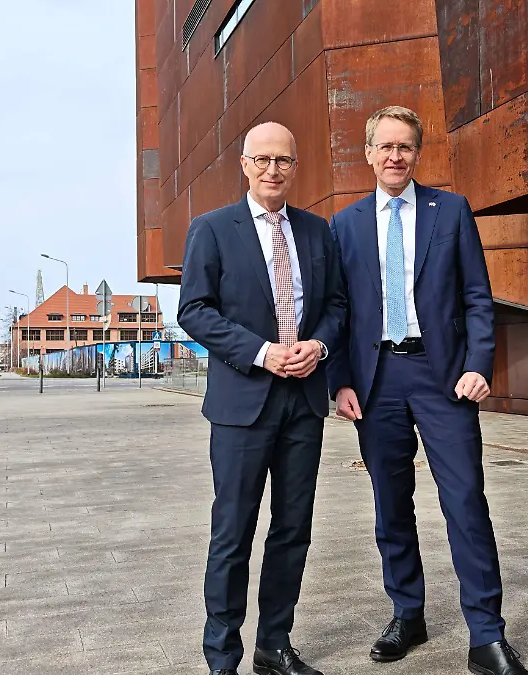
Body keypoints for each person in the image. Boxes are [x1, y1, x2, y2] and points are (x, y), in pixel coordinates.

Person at [326, 106, 528, 675]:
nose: (396, 156)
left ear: (418, 154)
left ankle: (486, 635)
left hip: (444, 378)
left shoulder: (453, 211)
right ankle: (407, 613)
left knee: (465, 501)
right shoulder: (344, 226)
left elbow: (476, 297)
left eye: (406, 147)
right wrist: (338, 380)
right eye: (385, 146)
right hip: (375, 382)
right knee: (391, 507)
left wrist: (480, 364)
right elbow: (337, 312)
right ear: (368, 153)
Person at [178, 121, 347, 675]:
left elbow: (339, 306)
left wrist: (319, 346)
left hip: (303, 403)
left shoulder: (318, 232)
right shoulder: (212, 229)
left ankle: (274, 646)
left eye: (284, 161)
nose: (273, 169)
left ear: (295, 167)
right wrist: (259, 352)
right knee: (233, 531)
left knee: (293, 528)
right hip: (242, 405)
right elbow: (194, 310)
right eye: (263, 160)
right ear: (245, 165)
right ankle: (222, 657)